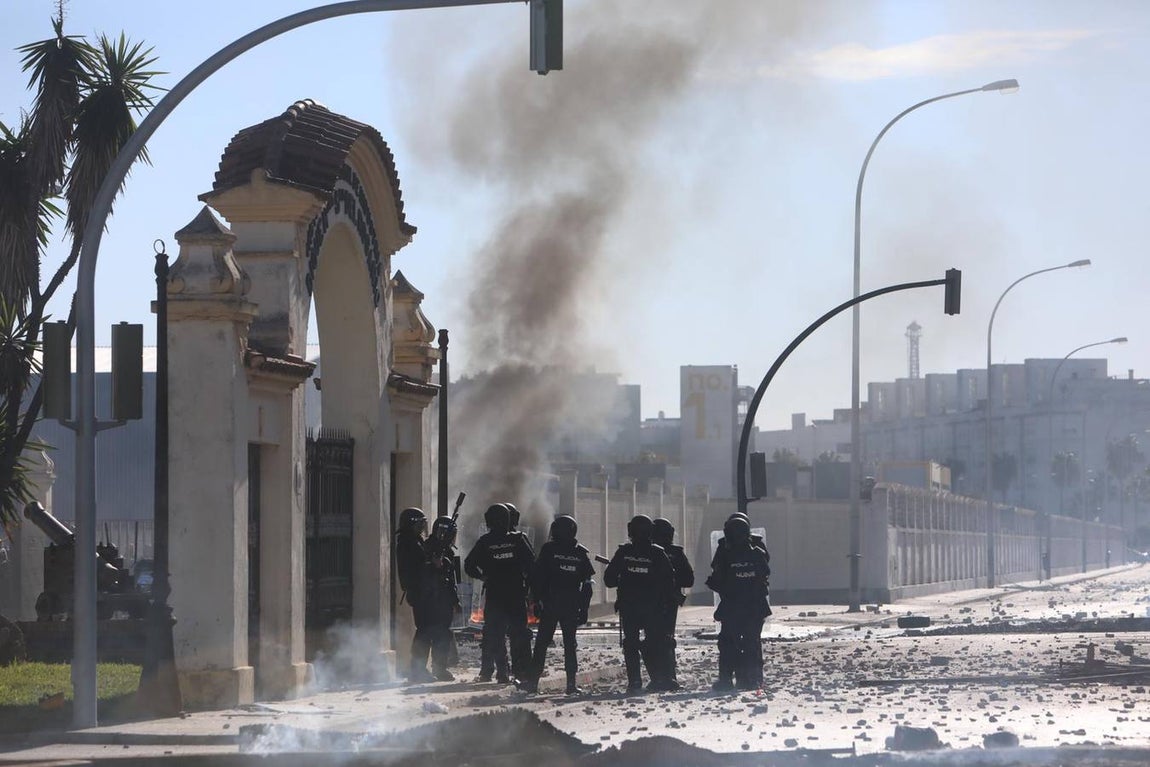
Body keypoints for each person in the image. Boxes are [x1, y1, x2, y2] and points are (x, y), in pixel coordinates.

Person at [604, 514, 677, 692]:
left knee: (631, 644)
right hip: (653, 608)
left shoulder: (624, 552)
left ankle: (635, 682)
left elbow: (609, 580)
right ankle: (660, 678)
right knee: (654, 643)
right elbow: (669, 582)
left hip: (630, 608)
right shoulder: (658, 553)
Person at [521, 515, 594, 695]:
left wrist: (536, 600)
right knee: (570, 645)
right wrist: (584, 608)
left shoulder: (549, 550)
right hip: (570, 605)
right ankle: (570, 685)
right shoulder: (580, 553)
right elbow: (588, 585)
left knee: (541, 644)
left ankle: (532, 684)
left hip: (551, 603)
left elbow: (537, 578)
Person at [464, 503, 534, 684]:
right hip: (516, 595)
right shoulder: (519, 539)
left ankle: (500, 672)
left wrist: (483, 576)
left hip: (495, 596)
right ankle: (521, 673)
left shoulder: (485, 542)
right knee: (519, 635)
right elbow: (532, 566)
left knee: (494, 635)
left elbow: (469, 565)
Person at [706, 515, 771, 692]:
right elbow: (765, 572)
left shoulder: (744, 550)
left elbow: (717, 577)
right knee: (749, 642)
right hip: (748, 605)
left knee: (731, 642)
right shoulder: (752, 550)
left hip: (738, 605)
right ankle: (750, 679)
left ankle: (732, 679)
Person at [651, 518, 694, 691]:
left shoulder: (670, 553)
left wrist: (670, 582)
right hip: (656, 600)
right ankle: (663, 676)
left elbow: (688, 579)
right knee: (660, 639)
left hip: (666, 600)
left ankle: (666, 676)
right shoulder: (669, 552)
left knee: (661, 639)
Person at [395, 507, 434, 683]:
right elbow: (416, 568)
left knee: (425, 630)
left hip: (423, 591)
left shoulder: (415, 541)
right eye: (419, 524)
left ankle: (418, 668)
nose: (422, 528)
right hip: (419, 592)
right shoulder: (407, 544)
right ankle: (417, 669)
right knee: (424, 631)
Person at [421, 515, 462, 681]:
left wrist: (454, 600)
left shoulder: (445, 552)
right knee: (431, 634)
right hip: (431, 598)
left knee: (441, 634)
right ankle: (430, 668)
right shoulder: (428, 549)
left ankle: (439, 667)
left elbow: (450, 579)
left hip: (440, 599)